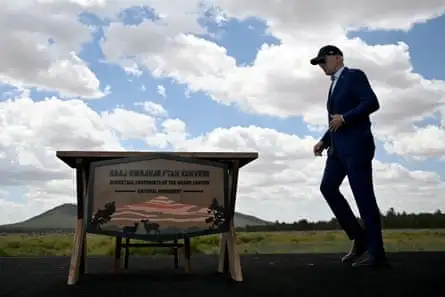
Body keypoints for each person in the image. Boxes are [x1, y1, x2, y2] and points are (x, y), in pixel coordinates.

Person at [310, 45, 387, 267]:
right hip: (337, 149)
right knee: (327, 188)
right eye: (319, 63)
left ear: (338, 58)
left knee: (363, 197)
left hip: (356, 146)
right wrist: (324, 141)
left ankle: (376, 254)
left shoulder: (354, 76)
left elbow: (371, 102)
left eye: (324, 60)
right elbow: (335, 119)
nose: (322, 65)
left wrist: (345, 118)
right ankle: (359, 238)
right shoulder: (334, 85)